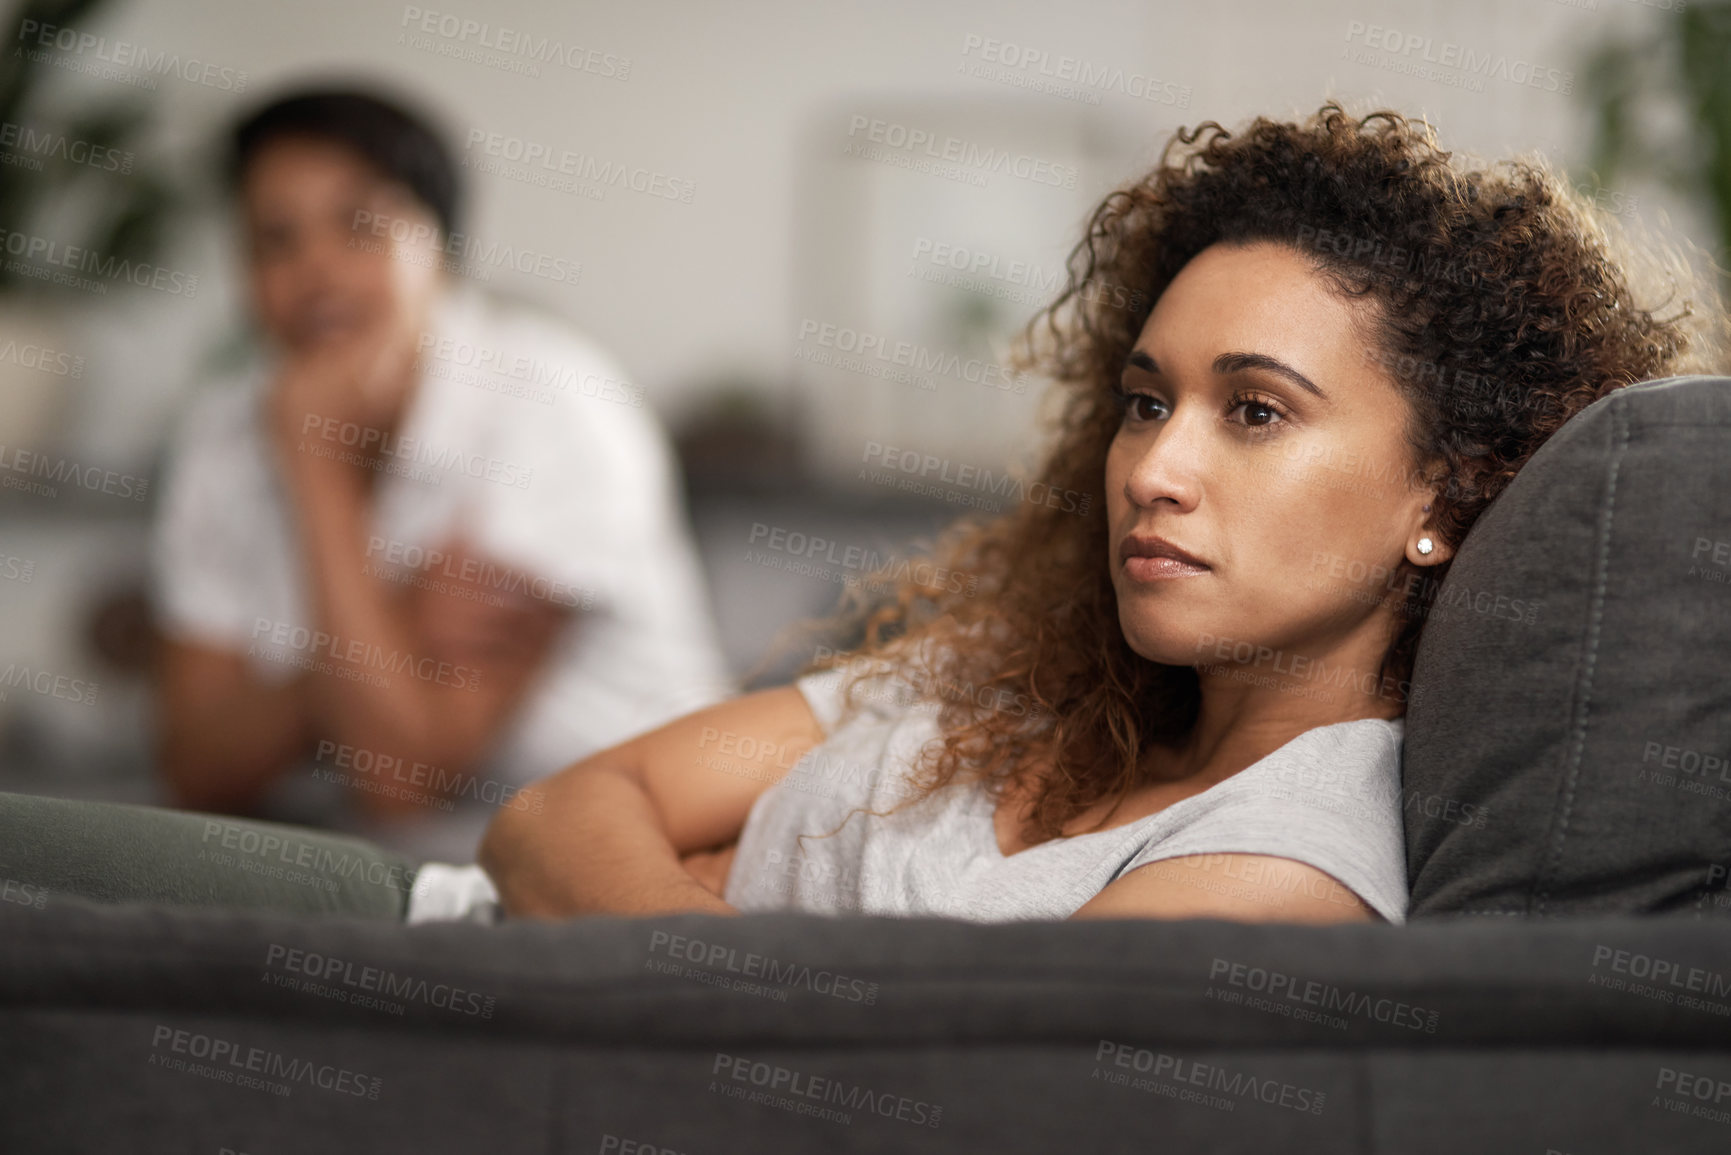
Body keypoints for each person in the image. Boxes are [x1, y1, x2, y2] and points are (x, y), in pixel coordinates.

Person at [462, 102, 1723, 926]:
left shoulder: (1284, 868)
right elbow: (553, 811)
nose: (1153, 468)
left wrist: (667, 892)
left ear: (1442, 498)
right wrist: (716, 936)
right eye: (1142, 400)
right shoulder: (1006, 680)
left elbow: (872, 1088)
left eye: (1256, 413)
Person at [149, 87, 735, 864]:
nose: (315, 268)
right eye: (274, 239)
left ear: (442, 249)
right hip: (389, 841)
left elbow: (402, 780)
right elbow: (196, 769)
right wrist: (386, 625)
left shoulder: (555, 402)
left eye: (360, 226)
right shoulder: (224, 426)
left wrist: (316, 471)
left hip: (641, 845)